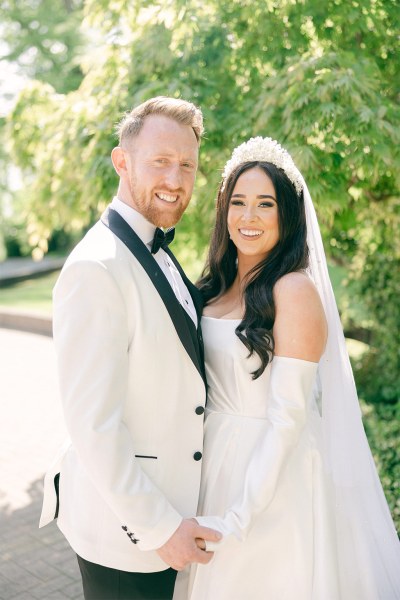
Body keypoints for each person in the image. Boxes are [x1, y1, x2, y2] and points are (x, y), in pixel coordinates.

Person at [173, 137, 400, 599]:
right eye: (238, 203)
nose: (249, 217)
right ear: (223, 210)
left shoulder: (292, 290)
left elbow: (287, 419)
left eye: (265, 204)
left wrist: (239, 517)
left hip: (269, 477)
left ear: (287, 215)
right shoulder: (214, 287)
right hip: (210, 462)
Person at [39, 96, 221, 600]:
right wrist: (160, 527)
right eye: (160, 161)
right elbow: (93, 426)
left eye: (187, 165)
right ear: (122, 162)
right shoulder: (95, 268)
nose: (176, 179)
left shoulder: (153, 249)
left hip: (173, 519)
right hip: (129, 533)